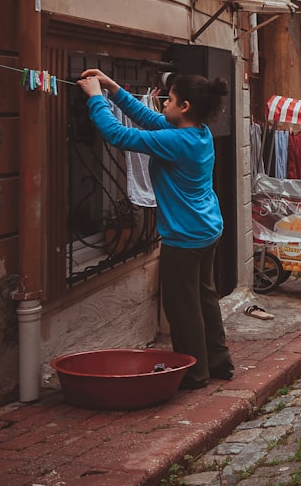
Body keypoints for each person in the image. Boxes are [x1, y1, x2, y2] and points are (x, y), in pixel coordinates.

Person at [77, 68, 233, 390]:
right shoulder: (197, 133)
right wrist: (114, 89)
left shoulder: (177, 141)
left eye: (170, 99)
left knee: (181, 307)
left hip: (185, 238)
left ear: (185, 106)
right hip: (206, 229)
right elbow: (148, 118)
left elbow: (120, 135)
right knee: (204, 298)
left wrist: (95, 97)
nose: (163, 103)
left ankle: (195, 373)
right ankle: (219, 363)